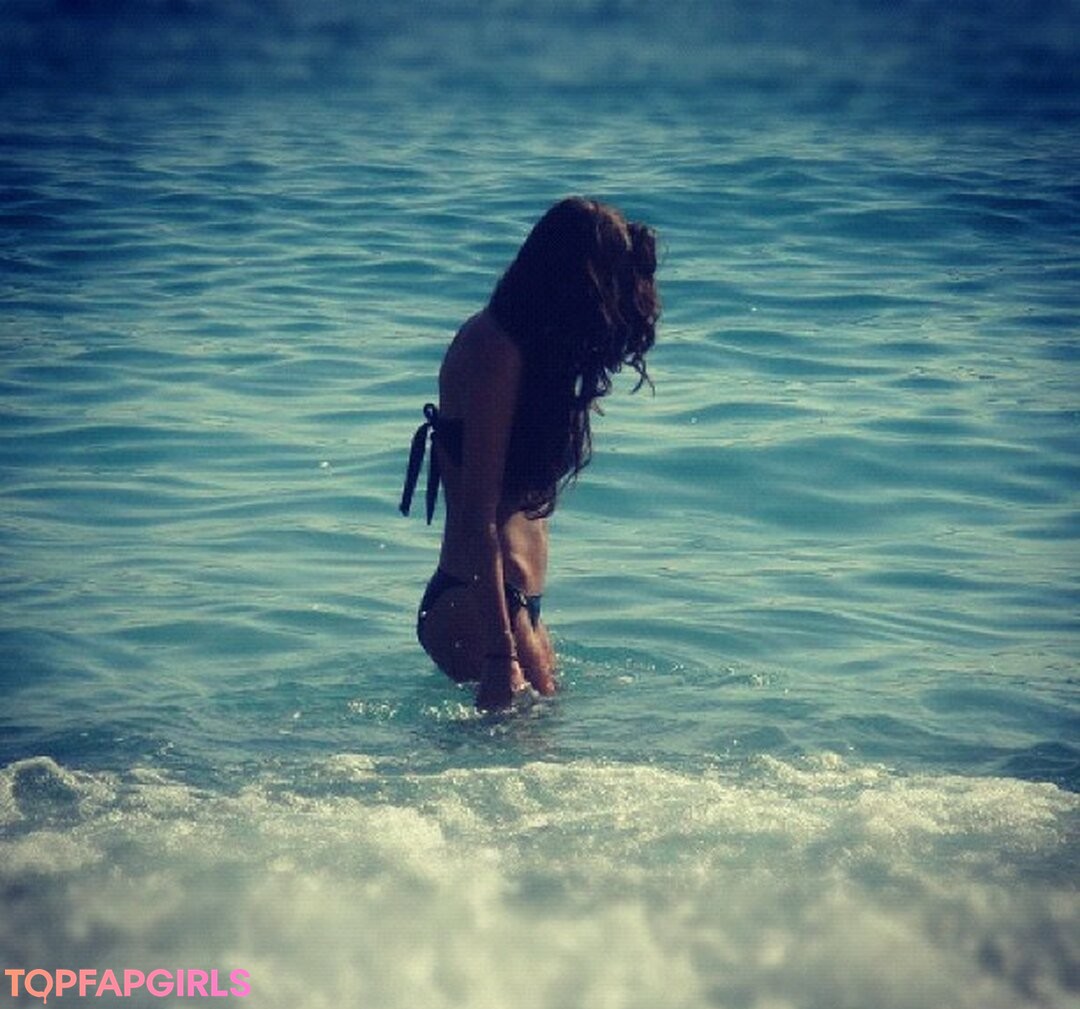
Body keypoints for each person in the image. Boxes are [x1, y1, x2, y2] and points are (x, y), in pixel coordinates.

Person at [400, 197, 660, 710]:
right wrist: (501, 654)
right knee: (517, 751)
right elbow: (477, 514)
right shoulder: (494, 349)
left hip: (514, 606)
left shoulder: (531, 354)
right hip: (479, 601)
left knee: (512, 753)